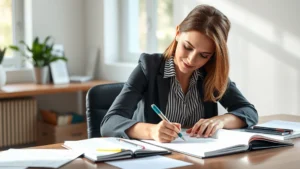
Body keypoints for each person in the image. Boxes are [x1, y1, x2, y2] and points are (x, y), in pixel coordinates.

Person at [101, 4, 258, 143]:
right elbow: (109, 123)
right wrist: (152, 131)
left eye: (204, 55)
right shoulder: (148, 68)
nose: (191, 59)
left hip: (199, 159)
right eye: (188, 47)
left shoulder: (211, 74)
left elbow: (249, 112)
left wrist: (222, 120)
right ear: (177, 33)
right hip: (154, 161)